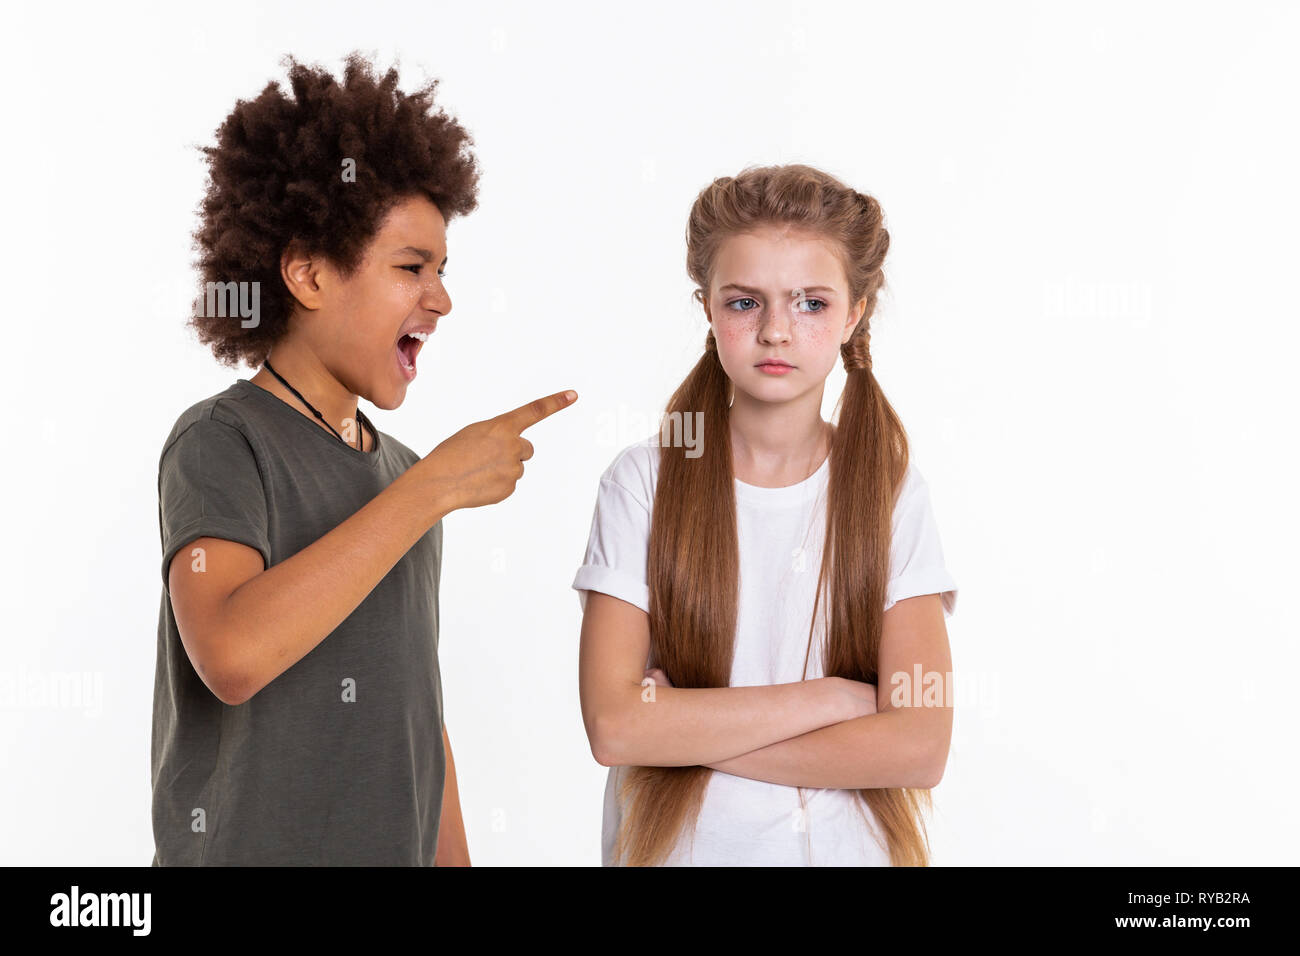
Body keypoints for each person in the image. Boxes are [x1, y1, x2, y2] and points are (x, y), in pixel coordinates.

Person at [153, 52, 575, 866]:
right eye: (411, 267)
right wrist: (432, 490)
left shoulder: (408, 473)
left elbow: (418, 720)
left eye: (443, 271)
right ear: (309, 274)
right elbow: (232, 656)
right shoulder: (221, 441)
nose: (442, 299)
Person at [572, 164, 959, 866]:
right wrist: (837, 698)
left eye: (811, 303)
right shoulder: (643, 485)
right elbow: (617, 727)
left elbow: (921, 744)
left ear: (855, 313)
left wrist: (688, 730)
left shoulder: (892, 494)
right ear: (707, 306)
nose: (777, 331)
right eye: (745, 302)